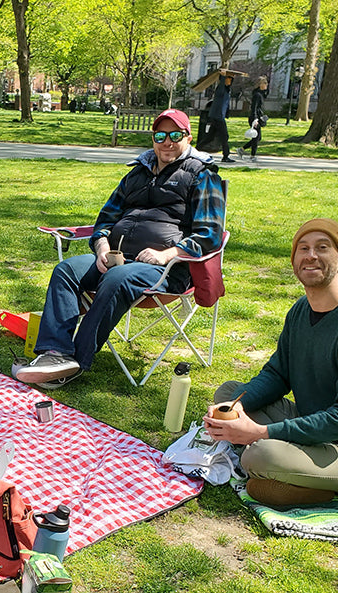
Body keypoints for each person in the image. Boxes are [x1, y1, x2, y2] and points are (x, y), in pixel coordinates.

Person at [13, 109, 225, 387]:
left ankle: (74, 360)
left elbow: (210, 234)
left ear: (188, 137)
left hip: (166, 269)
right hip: (117, 258)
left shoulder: (201, 175)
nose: (167, 142)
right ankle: (55, 352)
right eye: (160, 135)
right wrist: (101, 246)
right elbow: (105, 220)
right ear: (153, 138)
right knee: (66, 270)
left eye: (175, 135)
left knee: (116, 278)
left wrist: (167, 254)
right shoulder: (136, 174)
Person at [204, 219, 338, 508]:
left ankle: (311, 481)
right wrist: (240, 404)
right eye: (303, 248)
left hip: (335, 439)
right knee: (228, 394)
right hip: (309, 421)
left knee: (259, 455)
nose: (311, 255)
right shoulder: (300, 311)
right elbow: (278, 374)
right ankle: (300, 478)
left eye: (322, 248)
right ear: (294, 261)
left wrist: (262, 433)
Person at [237, 76, 268, 163]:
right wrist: (255, 119)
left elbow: (265, 95)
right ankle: (252, 155)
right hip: (255, 118)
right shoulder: (257, 95)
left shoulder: (260, 94)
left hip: (258, 117)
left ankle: (242, 149)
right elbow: (254, 107)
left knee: (258, 138)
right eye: (264, 83)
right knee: (256, 137)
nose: (266, 85)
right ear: (260, 84)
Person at [206, 70, 235, 163]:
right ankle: (225, 156)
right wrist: (222, 76)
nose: (230, 81)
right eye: (228, 78)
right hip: (217, 116)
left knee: (210, 137)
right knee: (224, 136)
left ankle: (195, 150)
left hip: (218, 116)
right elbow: (221, 86)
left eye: (231, 79)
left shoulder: (227, 90)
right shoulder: (220, 89)